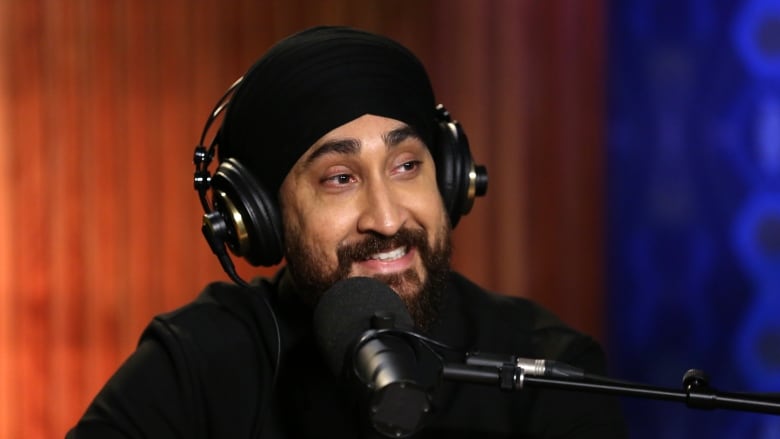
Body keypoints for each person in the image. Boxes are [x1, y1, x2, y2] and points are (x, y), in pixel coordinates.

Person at [67, 26, 627, 438]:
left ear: (453, 180)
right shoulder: (194, 364)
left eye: (407, 166)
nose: (385, 219)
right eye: (339, 178)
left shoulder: (547, 366)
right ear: (259, 216)